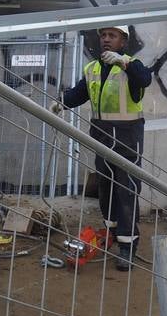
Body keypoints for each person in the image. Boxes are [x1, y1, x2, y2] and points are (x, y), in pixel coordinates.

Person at [52, 24, 150, 271]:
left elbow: (144, 79)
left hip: (127, 138)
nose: (106, 40)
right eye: (104, 35)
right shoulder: (92, 68)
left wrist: (123, 63)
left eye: (112, 36)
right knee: (106, 188)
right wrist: (61, 103)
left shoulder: (132, 66)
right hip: (102, 135)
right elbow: (79, 94)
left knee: (126, 191)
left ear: (123, 41)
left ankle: (128, 247)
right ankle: (112, 234)